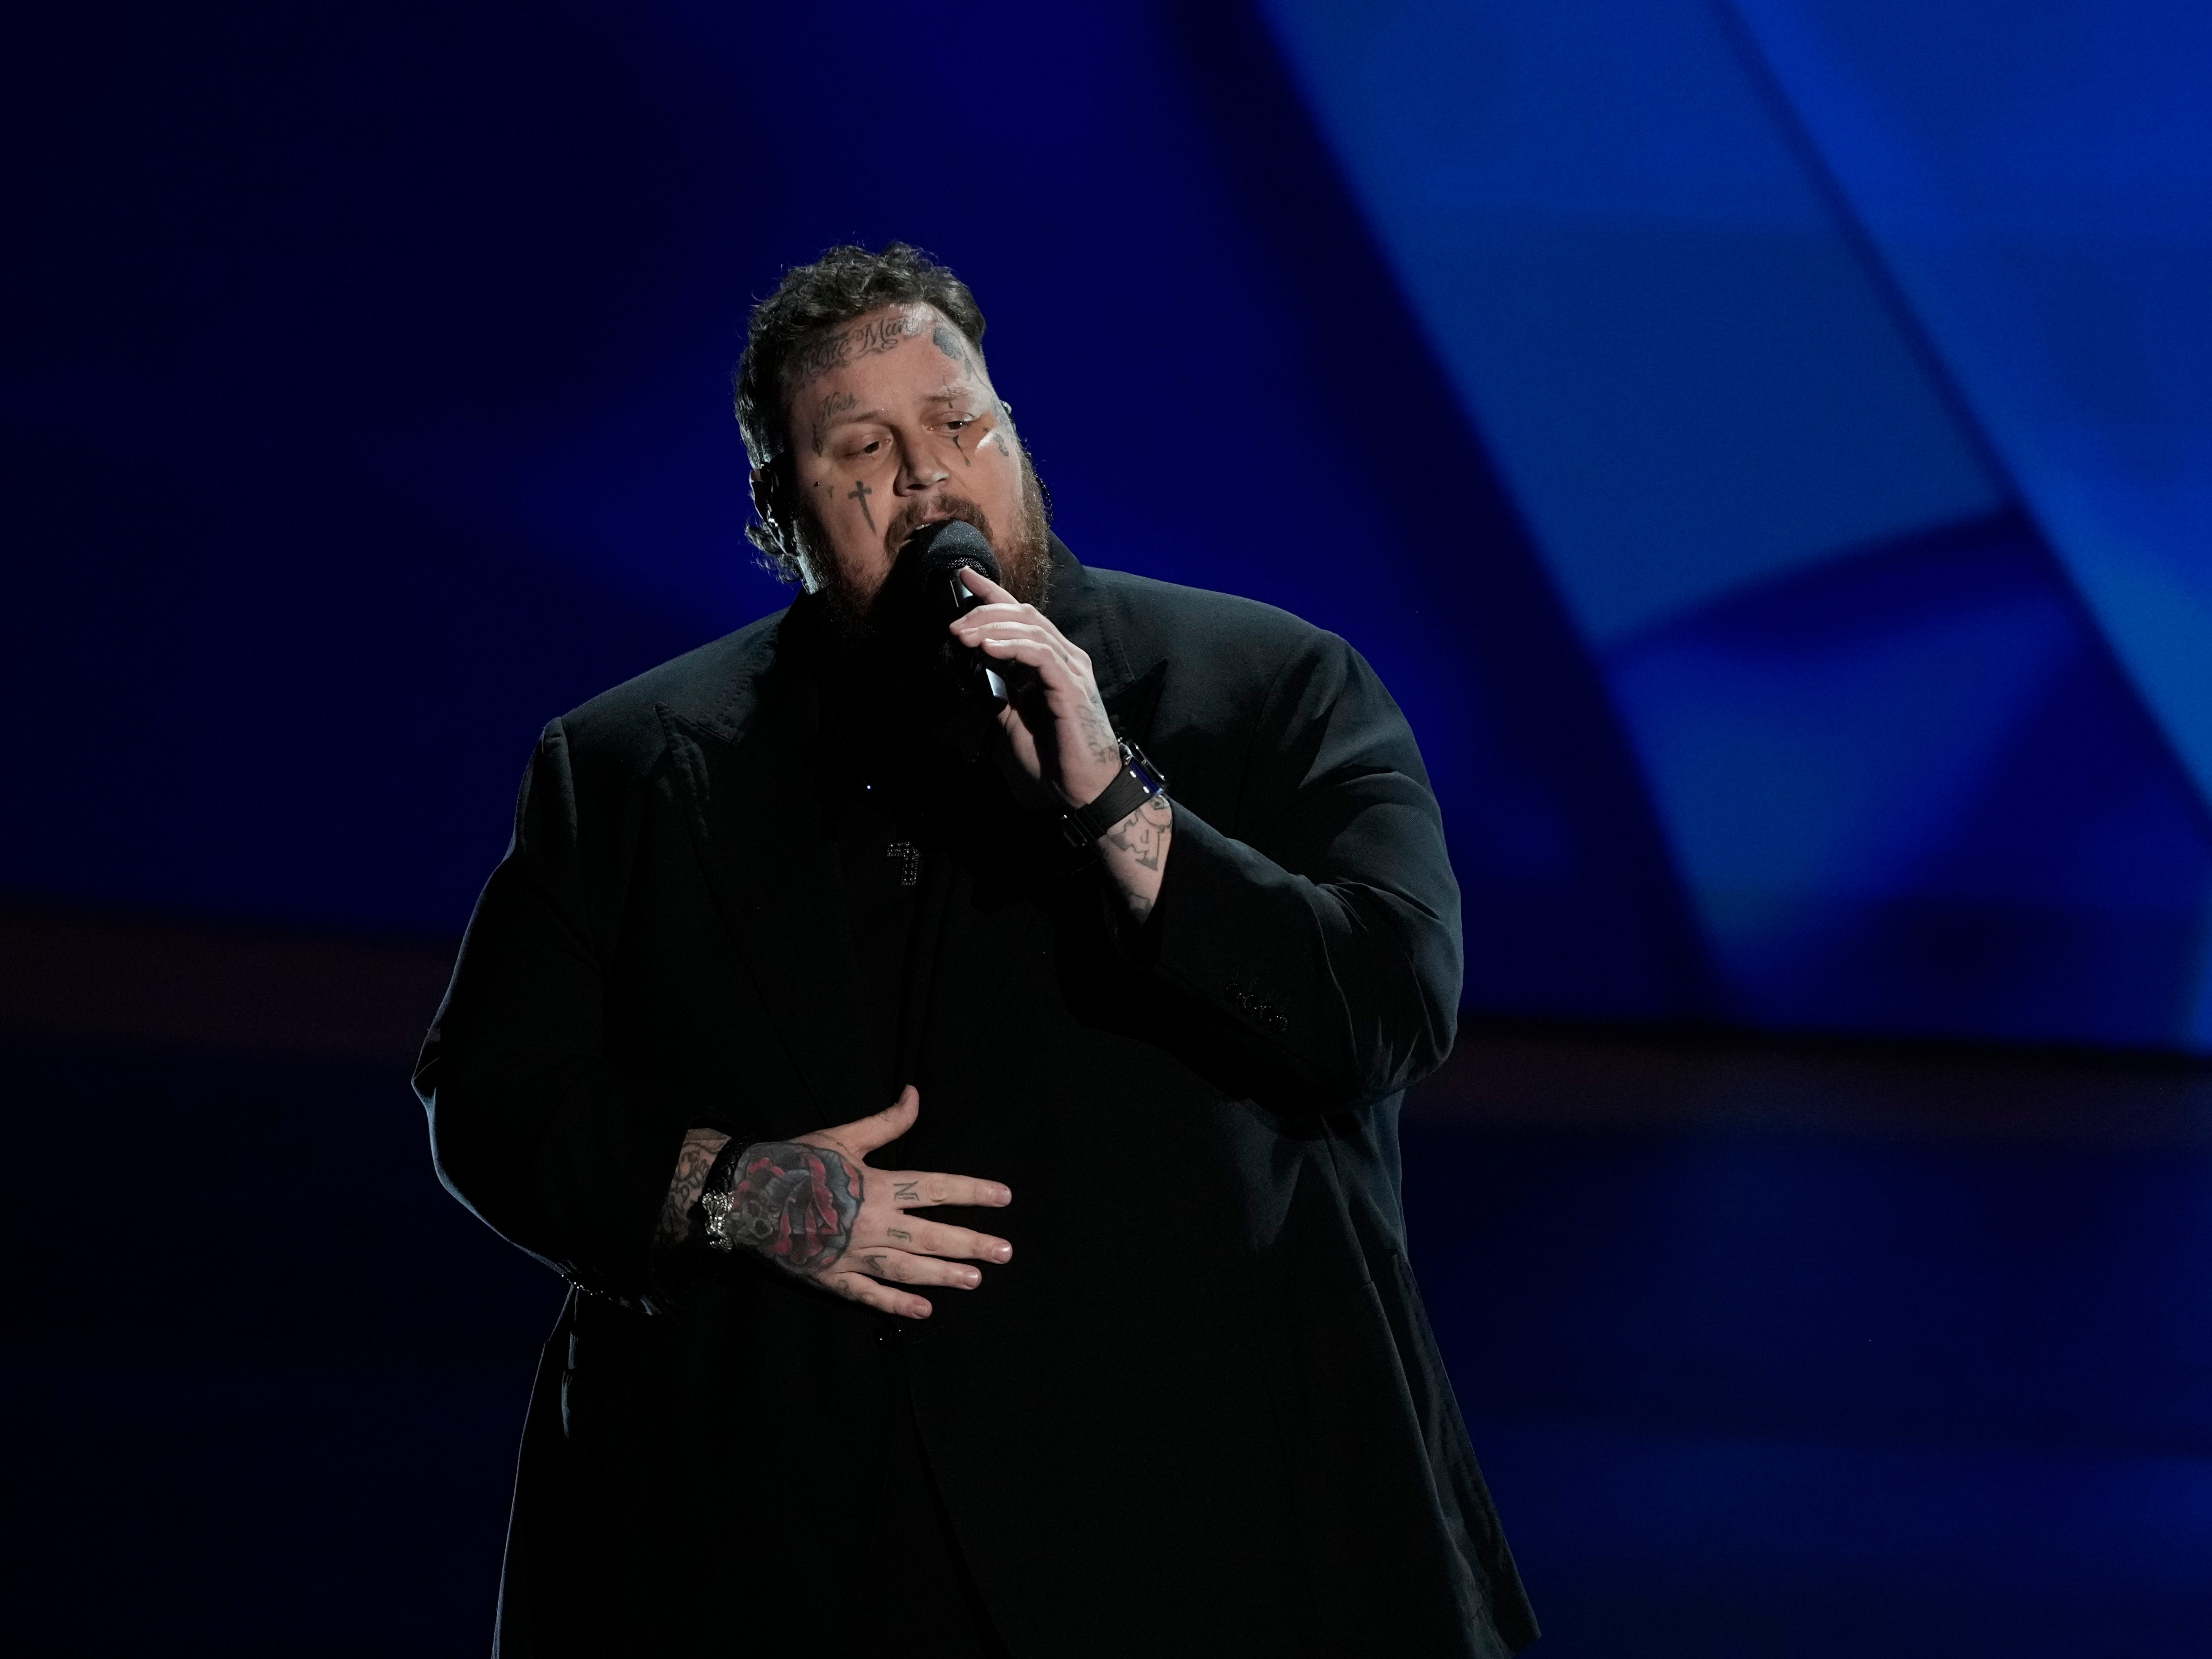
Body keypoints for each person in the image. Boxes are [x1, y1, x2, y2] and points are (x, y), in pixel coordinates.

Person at [416, 242, 1537, 1658]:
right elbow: (492, 1097)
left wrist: (1120, 807)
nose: (928, 478)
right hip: (790, 1543)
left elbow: (1384, 1007)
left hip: (1193, 1523)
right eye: (862, 449)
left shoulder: (1272, 690)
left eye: (961, 425)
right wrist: (734, 1192)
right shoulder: (632, 764)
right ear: (784, 513)